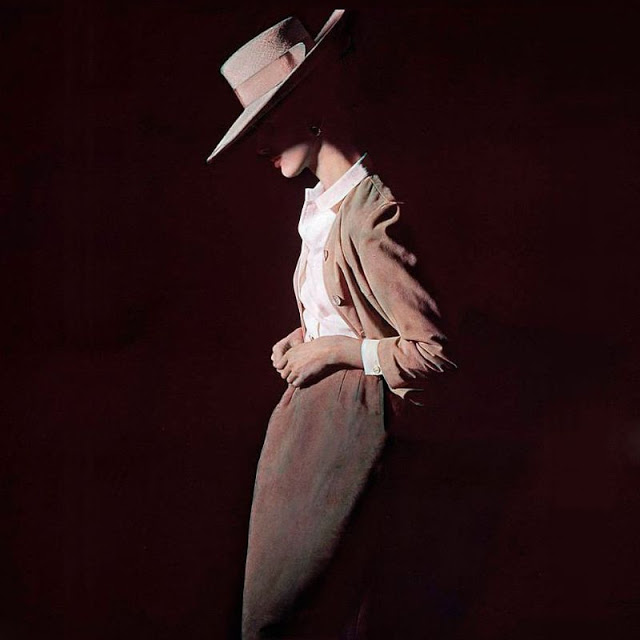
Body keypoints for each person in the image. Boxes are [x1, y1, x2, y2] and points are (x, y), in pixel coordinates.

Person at [206, 10, 457, 639]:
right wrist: (308, 339)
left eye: (266, 124)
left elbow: (433, 354)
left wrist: (338, 353)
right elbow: (348, 313)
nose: (259, 145)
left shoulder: (370, 214)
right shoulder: (321, 207)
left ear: (310, 110)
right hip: (306, 434)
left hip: (351, 437)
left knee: (306, 617)